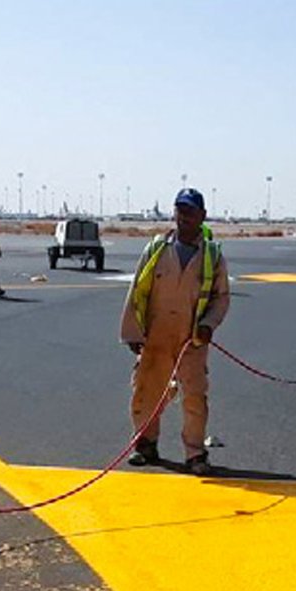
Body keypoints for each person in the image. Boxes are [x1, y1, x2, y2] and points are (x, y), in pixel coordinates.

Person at [119, 188, 230, 476]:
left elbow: (221, 297)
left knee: (194, 397)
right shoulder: (156, 250)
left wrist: (209, 324)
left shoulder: (213, 256)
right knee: (147, 391)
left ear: (202, 216)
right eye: (180, 210)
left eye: (191, 211)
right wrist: (133, 332)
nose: (184, 217)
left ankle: (195, 454)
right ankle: (145, 444)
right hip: (156, 335)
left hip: (192, 339)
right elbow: (137, 291)